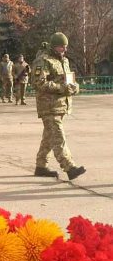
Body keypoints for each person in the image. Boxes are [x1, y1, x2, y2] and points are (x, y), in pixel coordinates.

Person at [33, 32, 86, 180]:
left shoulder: (64, 61)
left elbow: (69, 80)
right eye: (62, 47)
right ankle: (69, 167)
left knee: (49, 136)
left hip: (61, 105)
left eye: (66, 47)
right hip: (48, 106)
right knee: (58, 137)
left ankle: (41, 166)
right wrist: (62, 88)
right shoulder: (43, 61)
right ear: (54, 46)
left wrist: (75, 86)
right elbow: (39, 83)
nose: (65, 50)